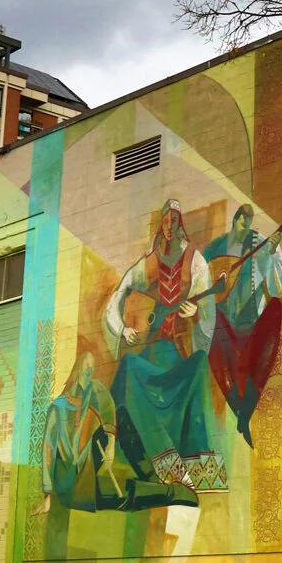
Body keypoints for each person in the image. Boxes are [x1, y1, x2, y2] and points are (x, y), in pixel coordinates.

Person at [104, 200, 219, 493]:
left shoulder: (195, 260)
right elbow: (121, 291)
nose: (169, 227)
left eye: (174, 221)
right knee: (129, 370)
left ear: (180, 223)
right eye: (165, 221)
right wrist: (122, 329)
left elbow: (206, 301)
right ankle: (149, 459)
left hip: (180, 349)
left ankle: (196, 470)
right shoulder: (152, 260)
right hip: (154, 348)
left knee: (197, 371)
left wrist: (197, 313)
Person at [36, 348, 195, 514]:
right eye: (86, 368)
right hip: (73, 484)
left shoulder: (91, 390)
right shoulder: (57, 409)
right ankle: (173, 494)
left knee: (121, 415)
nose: (89, 373)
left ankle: (151, 476)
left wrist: (111, 443)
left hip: (86, 460)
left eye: (92, 368)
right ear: (76, 371)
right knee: (122, 493)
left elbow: (108, 406)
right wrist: (47, 495)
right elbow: (48, 452)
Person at [203, 205, 282, 447]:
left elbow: (279, 287)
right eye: (241, 220)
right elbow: (200, 277)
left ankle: (244, 417)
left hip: (251, 318)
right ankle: (242, 417)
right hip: (224, 318)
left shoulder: (261, 242)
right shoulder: (216, 247)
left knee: (256, 369)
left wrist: (271, 254)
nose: (244, 224)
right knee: (224, 368)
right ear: (234, 220)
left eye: (248, 221)